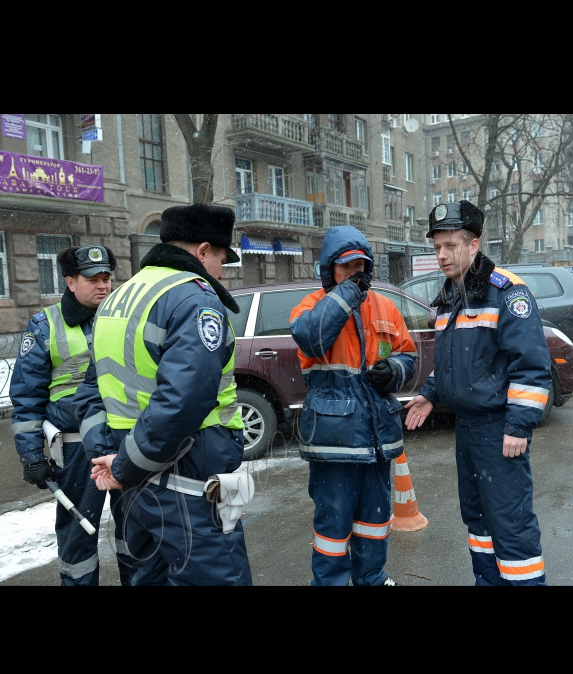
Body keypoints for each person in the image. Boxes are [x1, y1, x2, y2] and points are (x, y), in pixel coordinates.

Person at [73, 203, 253, 586]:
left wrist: (110, 455)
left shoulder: (121, 298)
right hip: (186, 477)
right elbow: (183, 402)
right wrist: (122, 466)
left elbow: (92, 390)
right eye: (222, 258)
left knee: (148, 577)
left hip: (135, 479)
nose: (222, 271)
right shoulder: (192, 299)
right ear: (203, 251)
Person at [405, 201, 551, 586]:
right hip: (468, 430)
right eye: (436, 247)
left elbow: (532, 366)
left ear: (474, 245)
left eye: (450, 245)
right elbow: (456, 361)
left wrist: (518, 427)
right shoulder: (451, 296)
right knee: (478, 523)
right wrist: (432, 393)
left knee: (510, 523)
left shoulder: (506, 293)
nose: (441, 255)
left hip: (499, 431)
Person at [290, 225, 417, 586]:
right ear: (329, 270)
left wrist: (394, 370)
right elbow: (313, 338)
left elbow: (408, 355)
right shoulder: (311, 306)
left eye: (360, 268)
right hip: (335, 440)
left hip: (376, 436)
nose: (354, 275)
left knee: (375, 522)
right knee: (333, 527)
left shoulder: (385, 306)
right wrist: (346, 294)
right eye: (345, 268)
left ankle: (371, 579)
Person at [10, 245, 133, 586]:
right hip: (77, 450)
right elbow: (26, 398)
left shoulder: (124, 318)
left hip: (125, 440)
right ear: (70, 282)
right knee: (78, 534)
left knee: (135, 529)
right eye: (93, 279)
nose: (103, 286)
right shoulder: (45, 324)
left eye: (107, 278)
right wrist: (32, 454)